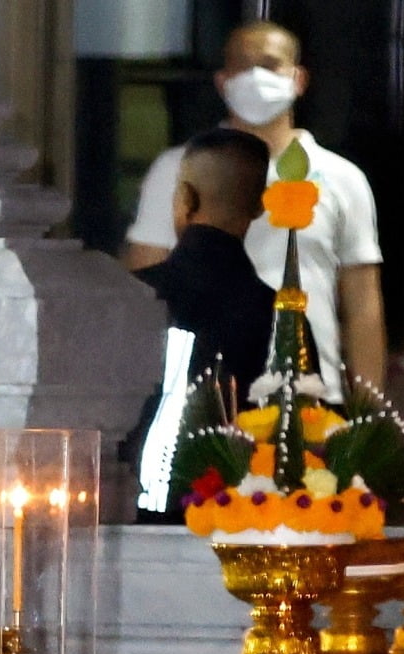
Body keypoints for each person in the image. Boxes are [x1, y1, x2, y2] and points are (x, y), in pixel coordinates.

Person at [123, 20, 385, 405]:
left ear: (298, 78)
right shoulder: (177, 169)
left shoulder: (342, 179)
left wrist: (369, 412)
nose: (256, 77)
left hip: (309, 400)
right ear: (222, 81)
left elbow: (362, 307)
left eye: (270, 64)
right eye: (242, 66)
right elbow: (142, 293)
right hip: (196, 398)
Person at [125, 128, 276, 521]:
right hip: (247, 520)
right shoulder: (277, 312)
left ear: (186, 199)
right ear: (259, 206)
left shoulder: (136, 297)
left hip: (136, 511)